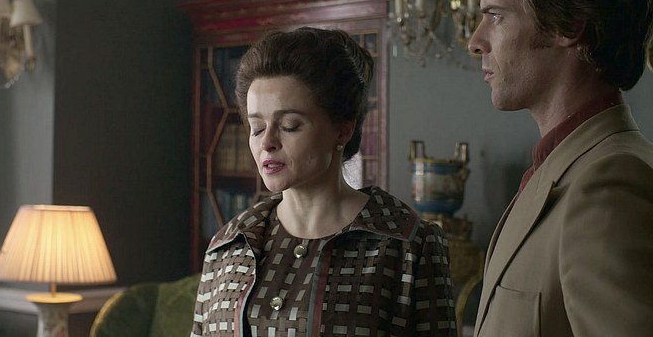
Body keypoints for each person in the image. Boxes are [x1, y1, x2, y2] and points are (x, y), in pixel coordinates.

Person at [466, 0, 653, 336]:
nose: (475, 41)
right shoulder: (569, 167)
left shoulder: (613, 184)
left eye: (495, 16)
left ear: (569, 25)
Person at [190, 27, 456, 337]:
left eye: (290, 125)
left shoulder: (408, 245)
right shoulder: (227, 245)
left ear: (342, 130)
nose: (267, 143)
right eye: (257, 128)